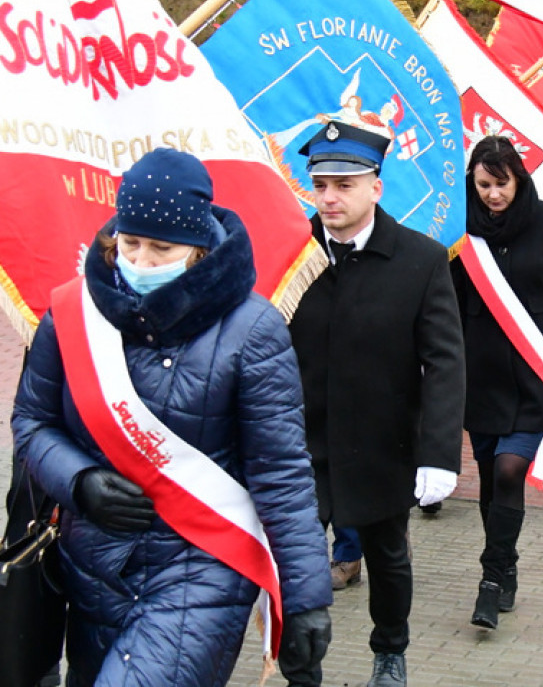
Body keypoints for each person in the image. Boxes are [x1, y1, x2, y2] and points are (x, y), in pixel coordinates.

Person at [11, 148, 332, 687]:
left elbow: (281, 472)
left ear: (200, 248)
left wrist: (304, 597)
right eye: (130, 243)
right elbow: (31, 424)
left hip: (201, 571)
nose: (141, 259)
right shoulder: (71, 314)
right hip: (93, 571)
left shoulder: (252, 330)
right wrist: (79, 482)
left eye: (162, 248)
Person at [288, 121, 465, 687]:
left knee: (387, 557)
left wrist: (439, 454)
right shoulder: (293, 254)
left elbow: (444, 362)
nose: (330, 198)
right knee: (293, 558)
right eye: (320, 185)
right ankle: (300, 665)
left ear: (376, 188)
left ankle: (391, 651)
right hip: (299, 442)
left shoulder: (421, 259)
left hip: (382, 441)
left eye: (344, 184)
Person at [451, 136, 543, 629]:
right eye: (484, 185)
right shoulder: (458, 230)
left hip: (538, 370)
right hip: (481, 372)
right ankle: (505, 560)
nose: (493, 194)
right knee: (491, 475)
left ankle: (490, 581)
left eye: (502, 183)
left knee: (513, 468)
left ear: (520, 178)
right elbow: (444, 305)